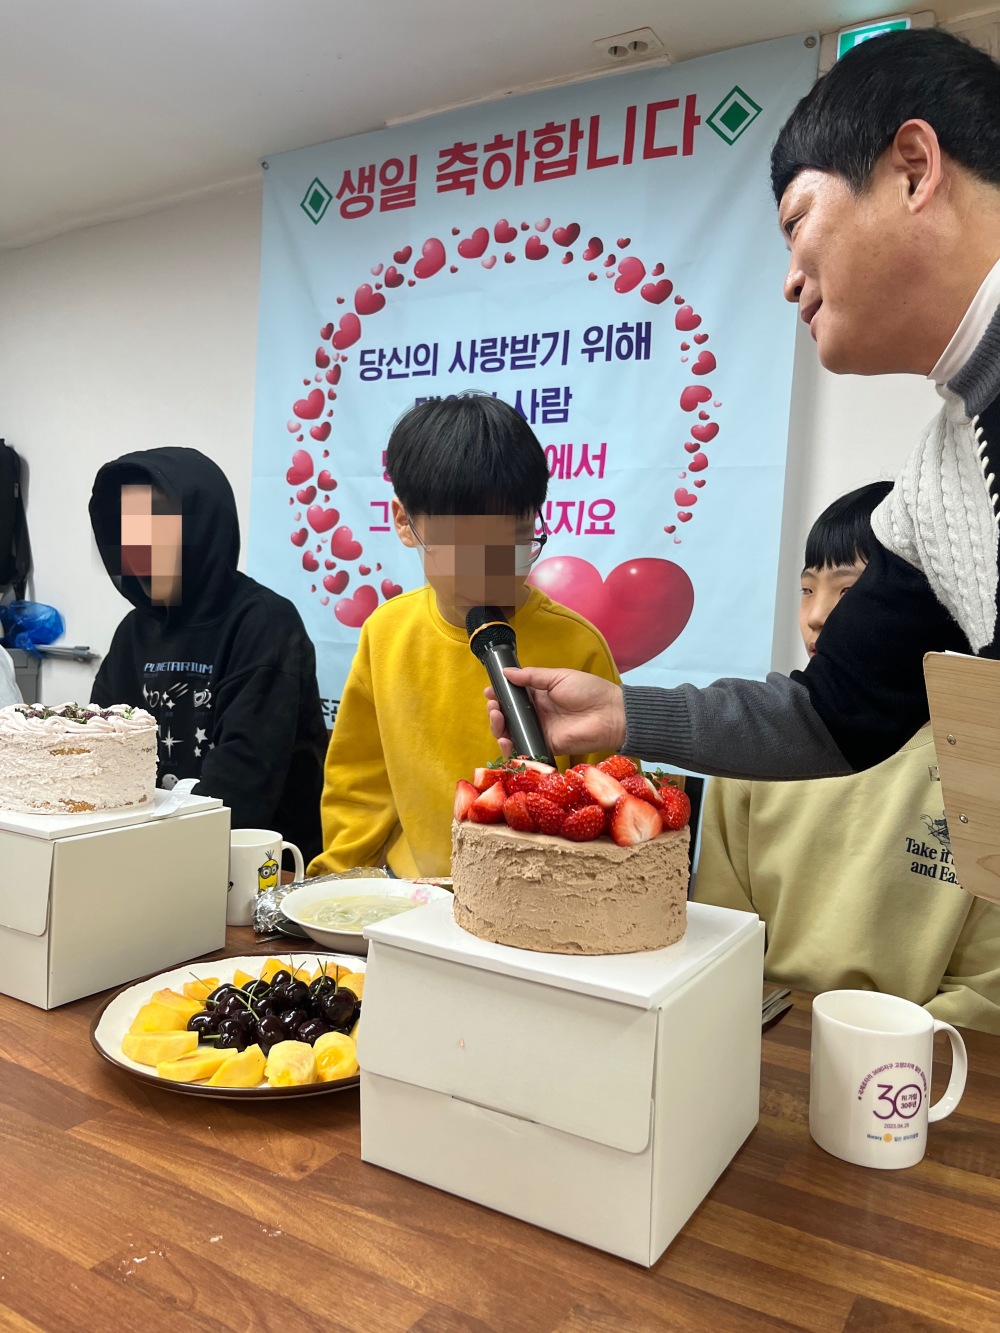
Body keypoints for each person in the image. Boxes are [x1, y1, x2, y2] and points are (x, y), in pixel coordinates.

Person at [487, 29, 1000, 786]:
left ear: (914, 170)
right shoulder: (934, 483)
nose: (790, 280)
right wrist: (624, 713)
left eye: (797, 223)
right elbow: (832, 715)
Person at [695, 482, 1000, 1034]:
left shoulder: (979, 762)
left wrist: (883, 1048)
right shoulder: (758, 748)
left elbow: (985, 990)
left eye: (849, 591)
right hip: (762, 1030)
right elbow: (719, 929)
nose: (815, 615)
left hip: (919, 1056)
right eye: (806, 589)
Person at [307, 393, 620, 880]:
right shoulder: (386, 633)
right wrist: (339, 885)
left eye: (514, 542)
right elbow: (359, 785)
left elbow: (610, 803)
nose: (489, 569)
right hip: (414, 894)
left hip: (540, 896)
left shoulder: (578, 646)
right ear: (405, 522)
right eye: (464, 546)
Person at [89, 447, 327, 862]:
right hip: (142, 856)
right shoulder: (133, 632)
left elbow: (242, 790)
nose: (139, 549)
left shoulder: (263, 623)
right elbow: (100, 755)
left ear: (199, 529)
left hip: (259, 869)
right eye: (128, 530)